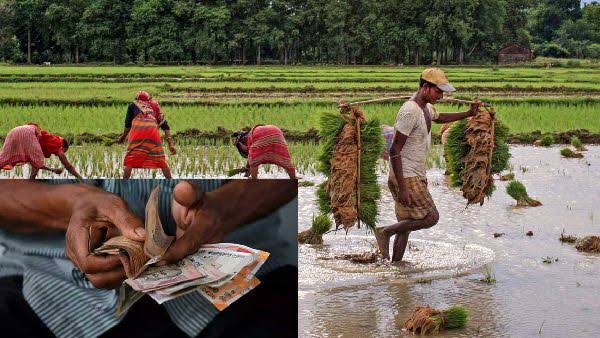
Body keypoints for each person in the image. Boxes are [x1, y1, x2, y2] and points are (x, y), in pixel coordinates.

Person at [0, 179, 298, 338]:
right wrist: (71, 205)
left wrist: (223, 209)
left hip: (241, 281)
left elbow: (295, 156)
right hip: (39, 282)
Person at [374, 68, 482, 262]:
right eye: (438, 91)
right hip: (406, 175)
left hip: (415, 173)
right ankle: (384, 231)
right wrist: (403, 187)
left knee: (406, 225)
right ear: (425, 87)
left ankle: (397, 268)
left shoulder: (425, 107)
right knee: (430, 217)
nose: (441, 96)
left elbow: (439, 117)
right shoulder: (409, 111)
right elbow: (395, 150)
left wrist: (468, 113)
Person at [117, 91, 177, 179]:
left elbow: (128, 125)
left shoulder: (133, 105)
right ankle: (170, 180)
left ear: (137, 99)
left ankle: (124, 182)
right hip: (153, 133)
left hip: (138, 133)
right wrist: (171, 144)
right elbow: (165, 126)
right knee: (161, 160)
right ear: (149, 99)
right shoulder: (154, 106)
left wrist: (122, 138)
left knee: (130, 159)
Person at [0, 123, 83, 179]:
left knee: (2, 160)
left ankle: (30, 183)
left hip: (14, 131)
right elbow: (68, 166)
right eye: (63, 152)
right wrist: (81, 179)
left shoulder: (46, 140)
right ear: (63, 148)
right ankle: (30, 184)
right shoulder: (56, 144)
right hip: (28, 132)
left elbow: (35, 164)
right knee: (37, 161)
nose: (57, 155)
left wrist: (52, 170)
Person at [231, 125, 296, 179]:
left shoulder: (246, 138)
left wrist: (246, 175)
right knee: (285, 159)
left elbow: (249, 154)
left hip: (261, 135)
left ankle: (254, 180)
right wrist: (247, 169)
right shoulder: (250, 136)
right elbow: (249, 156)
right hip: (277, 132)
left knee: (254, 160)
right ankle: (294, 178)